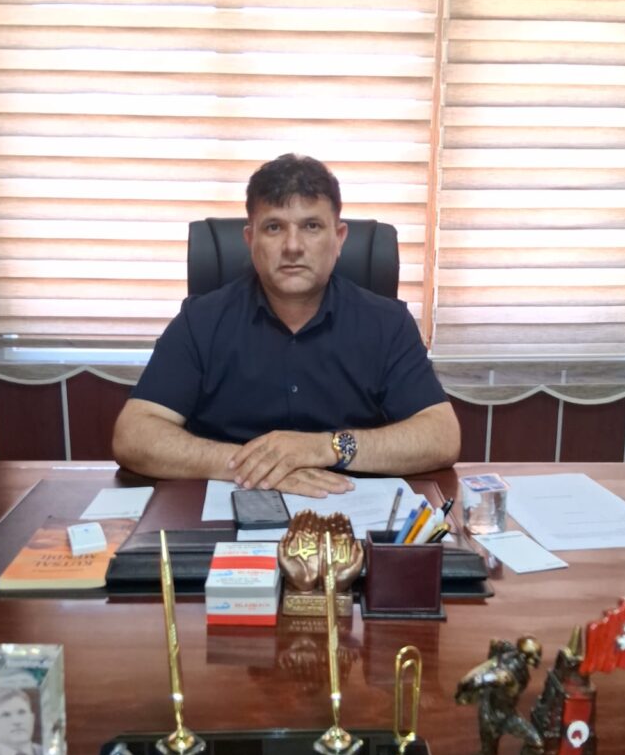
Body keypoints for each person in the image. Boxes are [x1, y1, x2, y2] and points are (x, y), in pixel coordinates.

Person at [113, 154, 460, 497]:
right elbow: (133, 435)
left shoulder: (387, 323)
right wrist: (256, 467)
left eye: (311, 226)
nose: (293, 247)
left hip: (350, 506)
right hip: (232, 502)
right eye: (274, 227)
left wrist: (326, 447)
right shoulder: (200, 321)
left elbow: (441, 436)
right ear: (250, 240)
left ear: (339, 238)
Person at [455, 636, 544, 755]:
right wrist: (470, 686)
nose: (536, 661)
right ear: (525, 657)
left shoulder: (511, 654)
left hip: (509, 714)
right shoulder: (507, 673)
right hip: (492, 718)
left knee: (536, 744)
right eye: (533, 657)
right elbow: (478, 680)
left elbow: (496, 644)